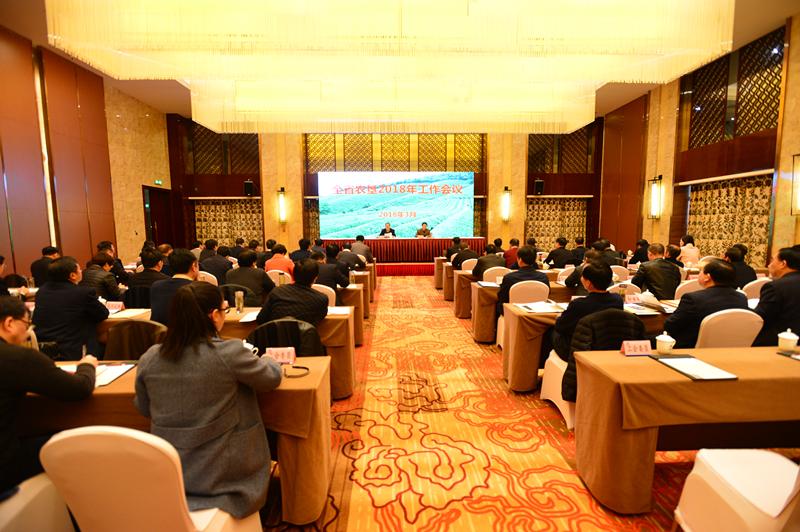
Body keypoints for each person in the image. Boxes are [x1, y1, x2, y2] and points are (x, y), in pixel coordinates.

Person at [134, 282, 282, 518]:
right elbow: (270, 379)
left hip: (171, 470)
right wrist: (270, 360)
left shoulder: (150, 357)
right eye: (224, 309)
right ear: (214, 315)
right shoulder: (228, 353)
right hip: (224, 473)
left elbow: (144, 408)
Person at [0, 296, 97, 493]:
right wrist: (87, 365)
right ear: (9, 323)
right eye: (26, 325)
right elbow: (79, 389)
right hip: (5, 466)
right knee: (79, 443)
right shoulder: (17, 358)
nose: (27, 334)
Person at [33, 257, 109, 359]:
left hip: (44, 350)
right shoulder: (82, 293)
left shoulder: (41, 292)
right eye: (79, 269)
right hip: (73, 349)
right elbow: (103, 314)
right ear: (73, 275)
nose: (81, 271)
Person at [664, 259, 749, 348]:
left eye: (701, 271)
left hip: (689, 348)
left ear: (707, 277)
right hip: (729, 348)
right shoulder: (741, 298)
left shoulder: (693, 299)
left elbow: (670, 326)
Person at [552, 261, 623, 361]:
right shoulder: (617, 300)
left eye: (582, 276)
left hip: (578, 349)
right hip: (606, 345)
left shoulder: (579, 304)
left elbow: (561, 327)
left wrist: (559, 317)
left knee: (551, 331)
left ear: (588, 283)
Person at [256, 258, 328, 326]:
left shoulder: (277, 291)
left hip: (276, 334)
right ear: (315, 278)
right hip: (303, 334)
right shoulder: (321, 299)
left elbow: (260, 319)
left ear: (293, 275)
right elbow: (317, 322)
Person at [754, 245, 800, 346]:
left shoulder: (775, 287)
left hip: (776, 344)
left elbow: (758, 318)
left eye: (772, 260)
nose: (769, 265)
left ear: (783, 264)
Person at [496, 246, 549, 316]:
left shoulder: (509, 278)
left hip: (513, 314)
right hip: (538, 314)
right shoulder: (543, 277)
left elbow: (502, 298)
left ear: (520, 260)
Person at [150, 249, 198, 325]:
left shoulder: (156, 286)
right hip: (188, 332)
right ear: (193, 266)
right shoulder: (199, 288)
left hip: (160, 331)